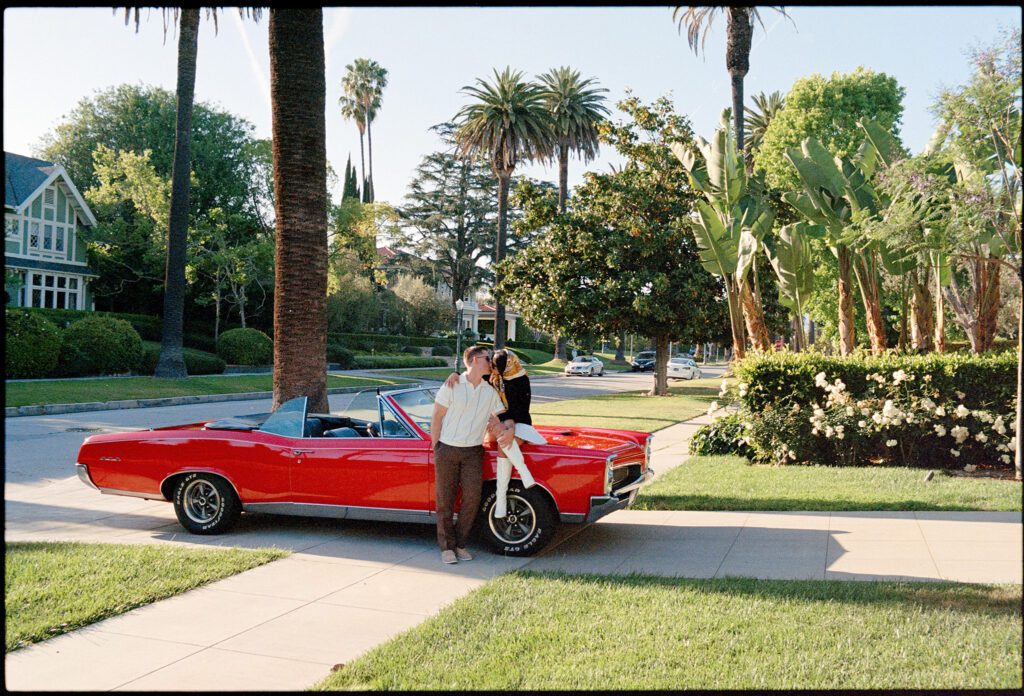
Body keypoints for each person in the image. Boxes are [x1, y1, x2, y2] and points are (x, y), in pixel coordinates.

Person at [444, 348, 546, 519]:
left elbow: (521, 409)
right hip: (501, 423)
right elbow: (470, 375)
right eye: (491, 364)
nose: (492, 368)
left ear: (506, 366)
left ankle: (501, 499)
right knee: (503, 439)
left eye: (495, 365)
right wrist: (455, 374)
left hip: (520, 422)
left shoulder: (521, 380)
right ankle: (523, 472)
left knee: (503, 444)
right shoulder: (493, 377)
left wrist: (511, 428)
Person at [431, 345, 505, 565]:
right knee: (445, 500)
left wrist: (500, 426)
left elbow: (500, 417)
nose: (490, 362)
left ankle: (460, 544)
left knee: (472, 499)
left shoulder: (490, 391)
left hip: (473, 451)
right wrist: (437, 448)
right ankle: (446, 548)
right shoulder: (452, 385)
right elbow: (437, 416)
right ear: (474, 361)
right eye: (486, 358)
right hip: (447, 449)